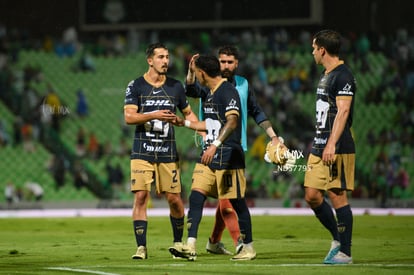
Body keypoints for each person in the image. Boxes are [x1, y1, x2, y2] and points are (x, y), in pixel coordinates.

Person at [185, 45, 285, 255]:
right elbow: (192, 91)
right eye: (222, 62)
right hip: (211, 147)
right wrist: (191, 72)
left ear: (237, 63)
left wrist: (274, 137)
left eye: (230, 62)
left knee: (229, 201)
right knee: (215, 199)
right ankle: (210, 243)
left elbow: (256, 112)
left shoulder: (242, 85)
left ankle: (238, 244)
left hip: (232, 148)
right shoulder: (208, 84)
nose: (226, 66)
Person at [170, 54, 256, 261]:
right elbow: (211, 124)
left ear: (202, 73)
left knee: (237, 203)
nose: (196, 77)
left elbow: (233, 121)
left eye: (196, 73)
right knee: (196, 195)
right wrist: (185, 124)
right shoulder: (210, 92)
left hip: (228, 156)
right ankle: (190, 245)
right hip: (209, 155)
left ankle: (249, 248)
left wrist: (215, 145)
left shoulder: (228, 91)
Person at [123, 42, 198, 260]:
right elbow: (129, 117)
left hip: (167, 152)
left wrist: (199, 130)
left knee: (175, 199)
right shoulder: (136, 86)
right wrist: (154, 114)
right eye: (161, 57)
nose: (166, 61)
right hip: (142, 150)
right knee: (140, 196)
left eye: (167, 57)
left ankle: (177, 244)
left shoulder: (175, 86)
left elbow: (189, 114)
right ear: (150, 60)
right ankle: (141, 248)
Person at [304, 30, 356, 265]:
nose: (312, 52)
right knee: (312, 196)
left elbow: (343, 111)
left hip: (337, 145)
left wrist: (332, 144)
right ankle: (337, 238)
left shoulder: (343, 76)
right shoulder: (327, 74)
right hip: (319, 144)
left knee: (337, 195)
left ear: (322, 49)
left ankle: (345, 252)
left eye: (314, 48)